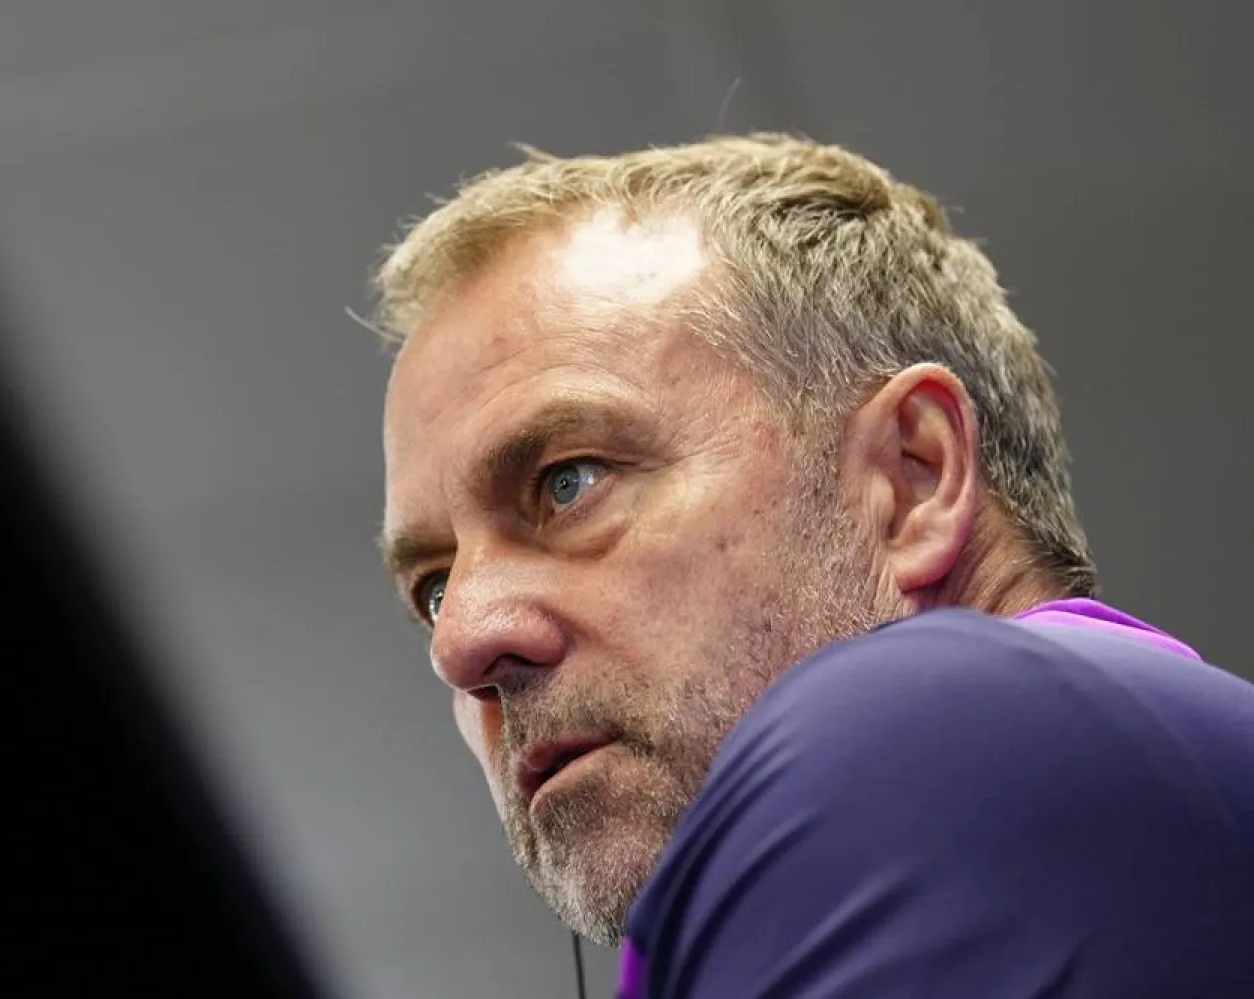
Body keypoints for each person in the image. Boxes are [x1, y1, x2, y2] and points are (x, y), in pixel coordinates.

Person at [372, 134, 1254, 997]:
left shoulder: (921, 735)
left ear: (912, 476)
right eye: (434, 586)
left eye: (568, 482)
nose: (462, 641)